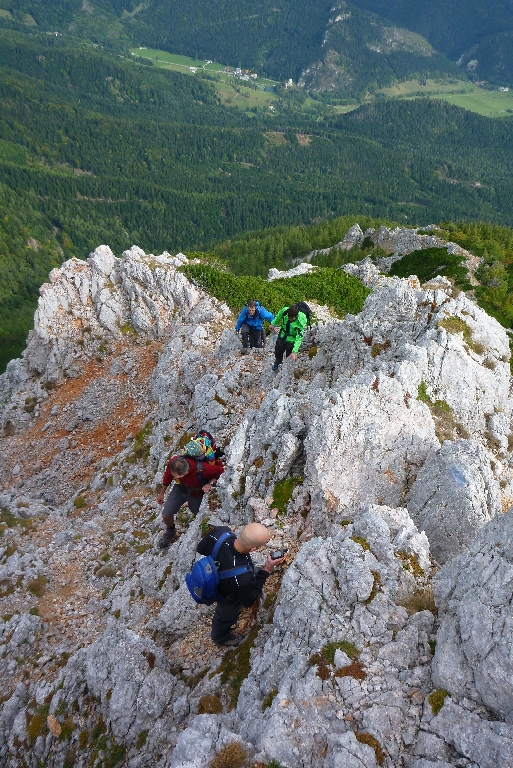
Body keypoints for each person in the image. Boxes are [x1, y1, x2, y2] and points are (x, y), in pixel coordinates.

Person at [196, 523, 285, 646]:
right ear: (253, 548)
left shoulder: (221, 533)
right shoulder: (243, 578)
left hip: (215, 576)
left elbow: (200, 548)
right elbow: (249, 600)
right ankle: (220, 637)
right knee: (224, 617)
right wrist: (266, 569)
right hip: (226, 596)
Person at [157, 448, 224, 549]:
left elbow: (220, 471)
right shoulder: (173, 463)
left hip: (196, 493)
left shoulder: (203, 469)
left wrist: (210, 483)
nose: (174, 477)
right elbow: (167, 477)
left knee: (198, 515)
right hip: (180, 489)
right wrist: (162, 493)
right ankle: (171, 530)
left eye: (177, 476)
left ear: (186, 472)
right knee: (166, 514)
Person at [270, 304, 307, 371]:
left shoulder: (300, 323)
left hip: (291, 340)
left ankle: (285, 369)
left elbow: (299, 338)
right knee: (278, 352)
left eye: (291, 318)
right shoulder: (285, 311)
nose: (289, 319)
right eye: (288, 317)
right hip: (282, 335)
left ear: (296, 316)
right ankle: (277, 362)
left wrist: (294, 351)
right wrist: (273, 323)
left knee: (289, 356)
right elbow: (279, 316)